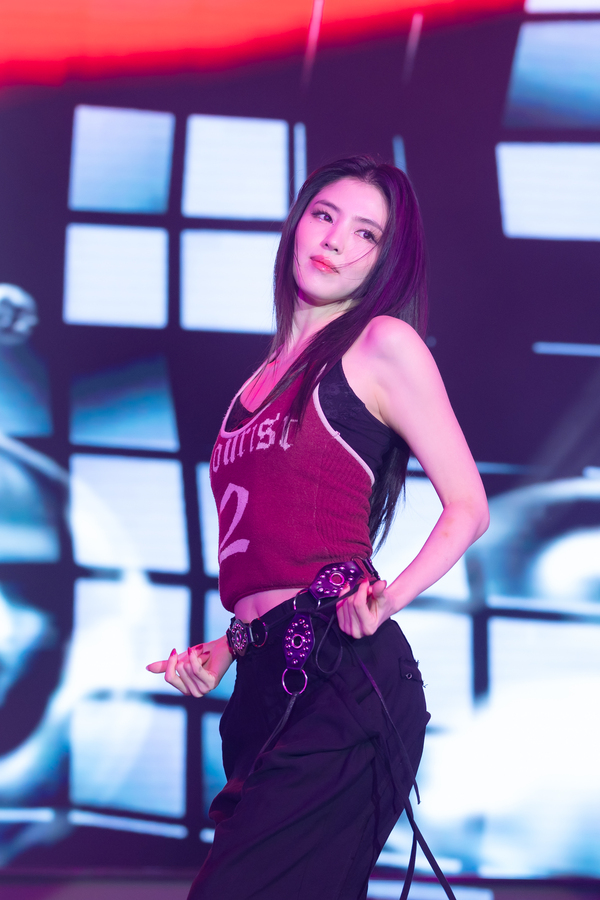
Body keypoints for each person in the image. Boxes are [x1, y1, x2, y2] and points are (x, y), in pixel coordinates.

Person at [148, 155, 489, 900]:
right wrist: (226, 647)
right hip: (261, 687)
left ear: (385, 261)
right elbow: (268, 551)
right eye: (325, 216)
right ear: (298, 224)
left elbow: (468, 504)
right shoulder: (256, 382)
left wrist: (390, 596)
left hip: (343, 679)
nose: (336, 240)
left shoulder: (380, 345)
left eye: (366, 233)